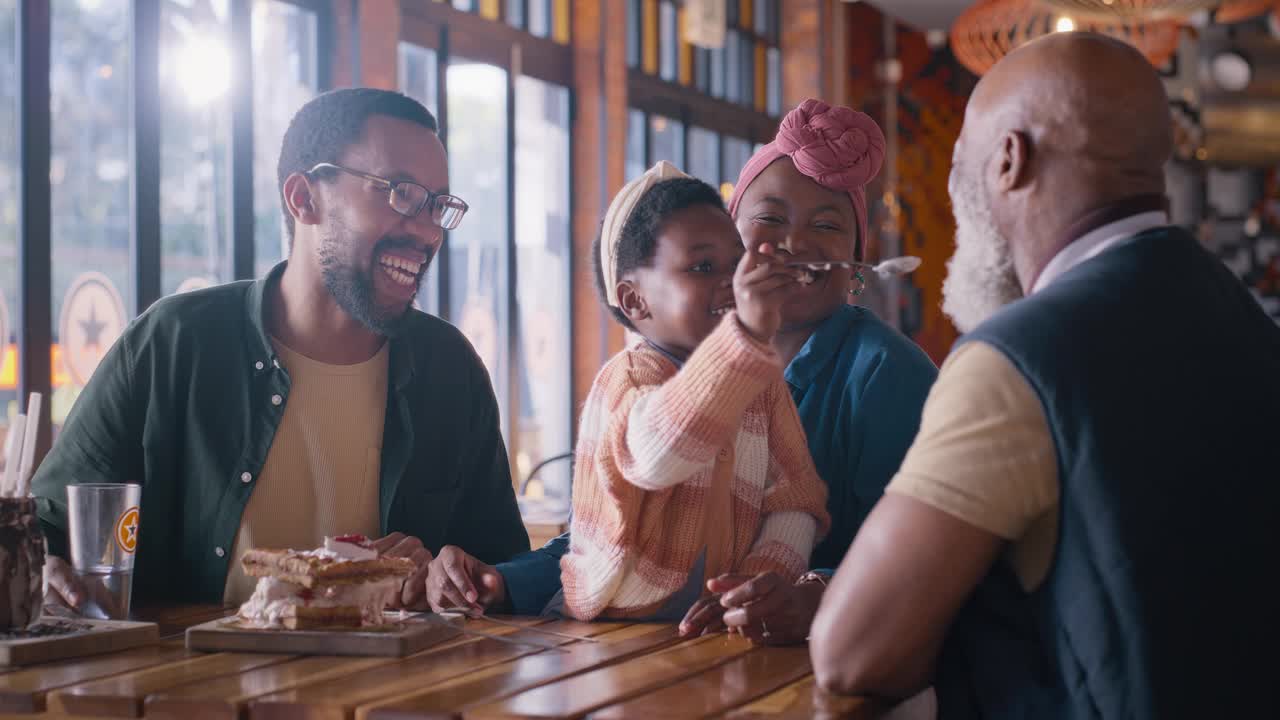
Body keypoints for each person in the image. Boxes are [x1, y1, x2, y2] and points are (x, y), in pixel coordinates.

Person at [809, 33, 1280, 719]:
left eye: (959, 159)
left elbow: (852, 653)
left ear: (1009, 158)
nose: (952, 182)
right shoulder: (1242, 316)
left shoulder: (1018, 357)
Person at [425, 101, 937, 643]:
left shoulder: (886, 372)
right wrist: (500, 583)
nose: (795, 243)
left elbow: (919, 553)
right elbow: (607, 540)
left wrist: (805, 591)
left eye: (829, 225)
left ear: (856, 259)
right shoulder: (649, 378)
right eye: (768, 219)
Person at [34, 88, 529, 611]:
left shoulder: (448, 370)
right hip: (183, 687)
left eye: (438, 205)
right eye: (401, 193)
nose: (428, 231)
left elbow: (504, 571)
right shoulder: (175, 344)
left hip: (391, 692)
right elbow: (47, 526)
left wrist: (450, 582)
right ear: (304, 198)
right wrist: (41, 569)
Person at [560, 162, 830, 621]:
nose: (730, 280)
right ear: (634, 301)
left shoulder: (762, 387)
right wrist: (744, 333)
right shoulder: (626, 379)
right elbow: (656, 453)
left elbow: (795, 499)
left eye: (736, 261)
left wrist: (755, 583)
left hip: (713, 625)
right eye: (703, 266)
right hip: (613, 624)